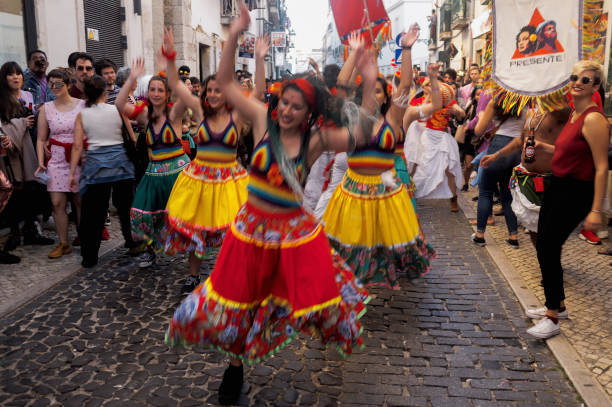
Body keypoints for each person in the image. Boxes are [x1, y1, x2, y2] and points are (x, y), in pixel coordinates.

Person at [166, 3, 371, 405]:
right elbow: (225, 83)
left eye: (297, 106)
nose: (288, 111)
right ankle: (235, 366)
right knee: (239, 300)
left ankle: (283, 337)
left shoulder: (316, 142)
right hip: (249, 232)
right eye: (285, 103)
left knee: (302, 302)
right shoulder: (261, 119)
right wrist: (234, 35)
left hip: (292, 236)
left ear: (310, 112)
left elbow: (362, 133)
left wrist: (363, 66)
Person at [322, 26, 436, 289]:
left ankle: (373, 279)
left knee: (388, 247)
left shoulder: (393, 118)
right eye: (368, 91)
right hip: (353, 191)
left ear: (385, 96)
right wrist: (354, 52)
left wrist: (406, 48)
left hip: (387, 190)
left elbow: (406, 84)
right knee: (352, 247)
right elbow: (341, 87)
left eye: (377, 91)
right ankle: (352, 289)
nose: (372, 95)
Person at [526, 61, 609, 339]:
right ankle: (558, 305)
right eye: (574, 77)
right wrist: (544, 147)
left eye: (585, 79)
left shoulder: (594, 119)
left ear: (595, 86)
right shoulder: (575, 114)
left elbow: (600, 166)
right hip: (559, 185)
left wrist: (596, 210)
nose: (577, 82)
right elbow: (570, 149)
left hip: (577, 191)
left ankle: (552, 316)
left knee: (548, 246)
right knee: (544, 243)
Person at [161, 26, 248, 294]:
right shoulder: (200, 112)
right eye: (209, 90)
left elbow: (257, 94)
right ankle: (193, 275)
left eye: (218, 90)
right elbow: (175, 84)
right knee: (198, 230)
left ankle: (230, 274)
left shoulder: (238, 117)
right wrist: (171, 56)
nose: (212, 94)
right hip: (200, 180)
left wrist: (247, 53)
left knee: (232, 231)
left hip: (230, 182)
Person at [116, 59, 191, 268]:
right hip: (154, 172)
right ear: (147, 92)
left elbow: (185, 96)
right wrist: (132, 78)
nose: (156, 93)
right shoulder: (143, 115)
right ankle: (150, 251)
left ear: (167, 94)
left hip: (178, 171)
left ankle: (194, 251)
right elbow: (119, 104)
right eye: (152, 89)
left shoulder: (174, 114)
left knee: (186, 216)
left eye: (160, 90)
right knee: (141, 213)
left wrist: (170, 61)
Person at [68, 75, 136, 267]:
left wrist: (72, 173)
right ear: (105, 92)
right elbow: (128, 131)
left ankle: (89, 257)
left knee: (93, 213)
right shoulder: (116, 109)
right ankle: (132, 243)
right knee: (126, 207)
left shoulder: (82, 115)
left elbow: (77, 146)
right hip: (120, 163)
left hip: (96, 165)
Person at [481, 106, 571, 246]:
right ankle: (544, 260)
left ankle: (550, 261)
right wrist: (496, 155)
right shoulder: (534, 112)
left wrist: (544, 147)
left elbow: (571, 145)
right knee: (533, 228)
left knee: (548, 227)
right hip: (528, 179)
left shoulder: (559, 110)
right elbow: (520, 141)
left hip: (548, 179)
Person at [0, 62, 54, 257]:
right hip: (11, 153)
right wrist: (22, 122)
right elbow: (3, 128)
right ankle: (15, 233)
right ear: (4, 78)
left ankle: (32, 230)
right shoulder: (2, 99)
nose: (15, 77)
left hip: (27, 146)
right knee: (14, 192)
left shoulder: (27, 95)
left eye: (18, 74)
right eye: (10, 74)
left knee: (31, 190)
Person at [35, 69, 86, 258]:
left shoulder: (82, 105)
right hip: (56, 158)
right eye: (51, 84)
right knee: (57, 203)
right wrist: (41, 161)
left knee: (80, 201)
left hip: (78, 156)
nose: (54, 87)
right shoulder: (46, 108)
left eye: (59, 84)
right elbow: (41, 139)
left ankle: (85, 238)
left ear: (68, 84)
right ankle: (64, 243)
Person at [472, 99, 526, 248]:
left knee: (485, 191)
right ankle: (513, 236)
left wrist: (482, 114)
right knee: (508, 195)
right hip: (516, 149)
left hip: (498, 145)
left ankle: (480, 235)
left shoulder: (496, 102)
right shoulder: (528, 101)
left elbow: (478, 130)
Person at [406, 77, 465, 211]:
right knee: (418, 165)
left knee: (449, 169)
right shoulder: (420, 101)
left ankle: (453, 199)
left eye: (431, 85)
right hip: (426, 137)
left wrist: (456, 112)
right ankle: (410, 193)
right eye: (426, 85)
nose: (429, 87)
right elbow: (410, 114)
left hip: (443, 137)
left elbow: (461, 113)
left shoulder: (447, 100)